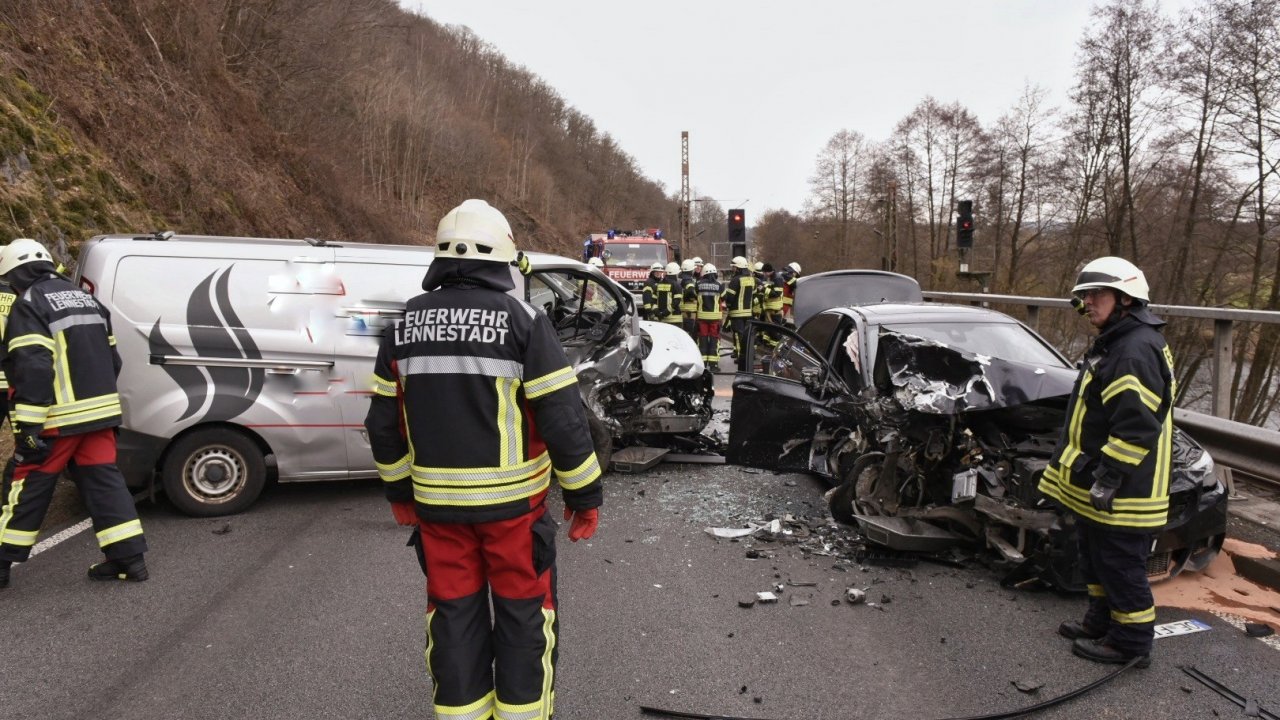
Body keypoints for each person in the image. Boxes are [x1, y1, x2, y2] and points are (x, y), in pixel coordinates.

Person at [364, 199, 603, 720]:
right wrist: (584, 496)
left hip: (438, 514)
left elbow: (383, 424)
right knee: (524, 619)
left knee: (453, 619)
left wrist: (400, 493)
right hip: (514, 516)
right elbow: (563, 419)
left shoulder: (402, 327)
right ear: (503, 259)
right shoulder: (524, 321)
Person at [1037, 256, 1174, 669]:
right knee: (1094, 558)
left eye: (1097, 294)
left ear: (1126, 298)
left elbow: (1136, 427)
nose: (1088, 303)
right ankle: (1101, 622)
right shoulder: (1117, 340)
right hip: (1103, 485)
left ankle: (1131, 644)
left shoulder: (1133, 351)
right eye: (1085, 296)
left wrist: (1110, 477)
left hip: (1127, 490)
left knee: (1120, 566)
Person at [0, 238, 147, 589]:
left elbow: (34, 366)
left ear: (17, 275)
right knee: (105, 484)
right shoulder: (87, 299)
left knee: (26, 484)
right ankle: (129, 560)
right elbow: (113, 360)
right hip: (100, 416)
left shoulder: (31, 303)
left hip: (58, 419)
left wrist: (29, 425)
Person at [721, 256, 756, 362]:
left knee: (738, 334)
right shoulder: (751, 279)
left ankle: (742, 357)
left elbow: (729, 297)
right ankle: (749, 354)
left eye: (734, 267)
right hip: (748, 312)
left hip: (737, 312)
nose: (732, 269)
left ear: (738, 268)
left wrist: (727, 303)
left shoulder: (735, 280)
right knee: (746, 335)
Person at [695, 264, 724, 371]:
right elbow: (724, 298)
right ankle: (713, 365)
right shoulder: (719, 285)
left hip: (702, 318)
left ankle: (702, 364)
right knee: (714, 340)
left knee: (702, 340)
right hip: (715, 319)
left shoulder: (698, 284)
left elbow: (695, 297)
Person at [656, 262, 683, 327]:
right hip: (675, 319)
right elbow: (676, 302)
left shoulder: (659, 284)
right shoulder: (677, 285)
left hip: (662, 319)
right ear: (675, 273)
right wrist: (666, 312)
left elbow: (654, 300)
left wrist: (660, 314)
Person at [677, 259, 698, 337]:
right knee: (689, 334)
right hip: (689, 312)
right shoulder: (689, 281)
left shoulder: (679, 279)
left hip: (680, 310)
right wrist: (696, 297)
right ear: (691, 270)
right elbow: (691, 293)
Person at [779, 261, 801, 326]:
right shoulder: (786, 276)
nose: (795, 276)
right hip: (781, 307)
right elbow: (795, 284)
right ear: (793, 271)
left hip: (785, 307)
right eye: (796, 274)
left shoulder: (783, 275)